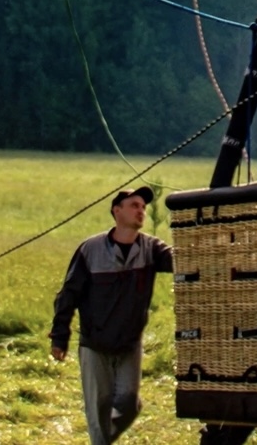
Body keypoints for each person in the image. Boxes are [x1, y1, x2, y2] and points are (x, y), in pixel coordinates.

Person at [50, 186, 173, 445]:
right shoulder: (90, 250)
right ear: (117, 212)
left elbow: (181, 260)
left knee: (129, 404)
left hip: (130, 344)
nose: (141, 211)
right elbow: (68, 295)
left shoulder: (151, 248)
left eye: (143, 207)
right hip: (95, 344)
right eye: (134, 205)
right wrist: (60, 337)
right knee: (99, 409)